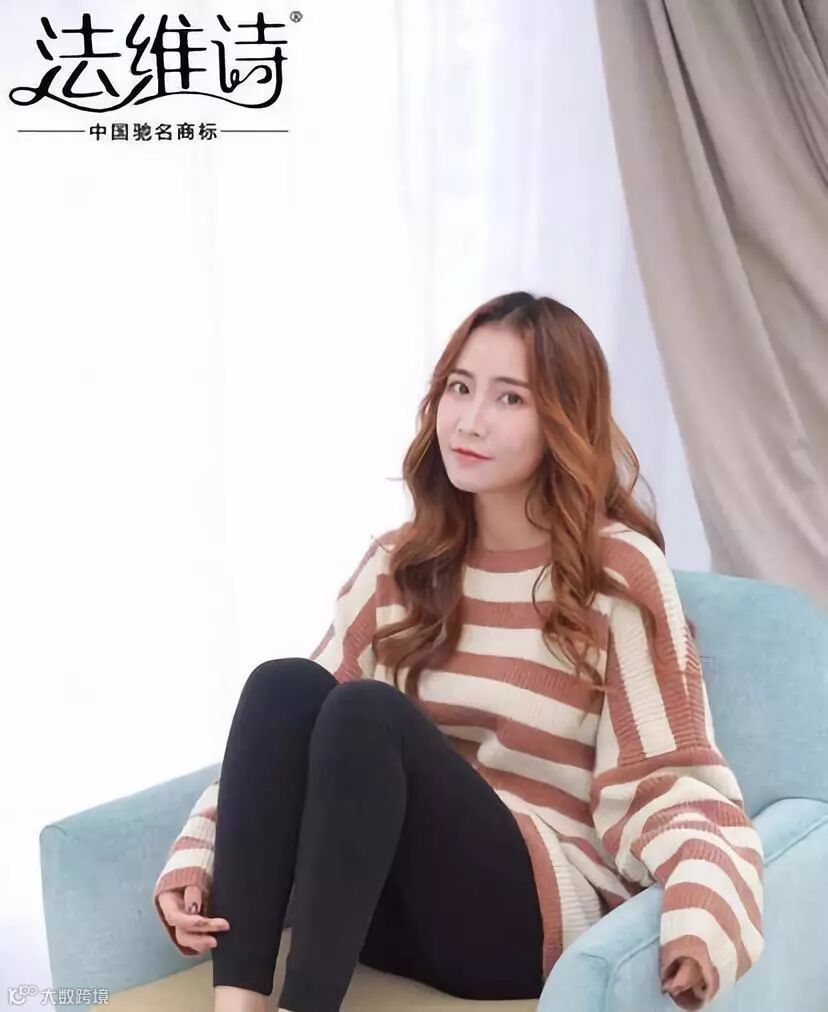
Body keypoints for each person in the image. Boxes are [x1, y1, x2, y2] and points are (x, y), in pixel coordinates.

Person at [153, 292, 764, 1012]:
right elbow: (282, 745)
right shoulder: (400, 564)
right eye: (459, 388)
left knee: (366, 714)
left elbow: (668, 776)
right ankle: (237, 1005)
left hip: (518, 924)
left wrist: (698, 917)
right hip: (377, 910)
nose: (471, 421)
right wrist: (200, 855)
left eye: (510, 398)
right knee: (285, 685)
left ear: (563, 420)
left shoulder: (616, 574)